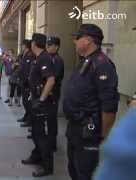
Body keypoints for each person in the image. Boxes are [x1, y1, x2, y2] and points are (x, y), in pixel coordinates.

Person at [63, 24, 119, 180]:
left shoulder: (102, 64)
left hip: (89, 133)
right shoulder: (85, 61)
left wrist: (102, 137)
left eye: (77, 38)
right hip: (75, 130)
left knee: (85, 174)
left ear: (87, 40)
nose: (74, 42)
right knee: (74, 169)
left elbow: (109, 108)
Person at [21, 33, 56, 177]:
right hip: (35, 100)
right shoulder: (38, 58)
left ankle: (47, 166)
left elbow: (51, 80)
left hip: (42, 104)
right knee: (36, 132)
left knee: (41, 135)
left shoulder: (44, 58)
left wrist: (41, 100)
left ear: (34, 43)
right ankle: (36, 156)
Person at [46, 36, 64, 151]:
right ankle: (49, 140)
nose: (47, 47)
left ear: (56, 47)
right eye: (47, 44)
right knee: (48, 118)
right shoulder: (49, 58)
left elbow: (54, 77)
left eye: (50, 45)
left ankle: (52, 144)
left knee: (52, 119)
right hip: (48, 93)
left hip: (53, 93)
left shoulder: (57, 60)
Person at [18, 39, 35, 130]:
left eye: (22, 45)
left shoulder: (30, 55)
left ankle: (30, 120)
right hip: (23, 81)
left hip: (27, 83)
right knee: (25, 101)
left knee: (27, 102)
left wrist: (27, 80)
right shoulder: (24, 55)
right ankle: (26, 116)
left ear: (26, 46)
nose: (21, 46)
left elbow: (29, 70)